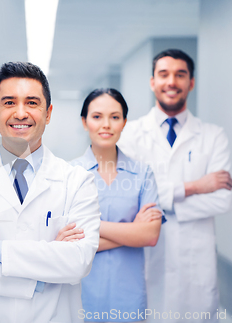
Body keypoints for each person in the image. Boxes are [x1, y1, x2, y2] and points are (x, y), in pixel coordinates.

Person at [0, 62, 101, 323]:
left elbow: (78, 262)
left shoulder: (77, 182)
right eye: (9, 102)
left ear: (48, 113)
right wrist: (41, 271)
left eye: (32, 103)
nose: (21, 113)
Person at [117, 49, 232, 322]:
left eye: (180, 75)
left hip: (195, 263)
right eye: (164, 74)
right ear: (152, 82)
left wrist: (159, 208)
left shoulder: (213, 136)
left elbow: (221, 200)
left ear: (191, 83)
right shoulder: (130, 134)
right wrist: (193, 186)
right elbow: (128, 197)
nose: (172, 81)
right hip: (145, 258)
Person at [71, 88, 163, 323]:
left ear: (124, 123)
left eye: (115, 117)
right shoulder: (69, 175)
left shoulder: (143, 174)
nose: (106, 125)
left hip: (128, 298)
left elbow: (150, 236)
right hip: (80, 297)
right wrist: (133, 231)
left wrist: (90, 227)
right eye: (97, 116)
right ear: (84, 122)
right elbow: (67, 244)